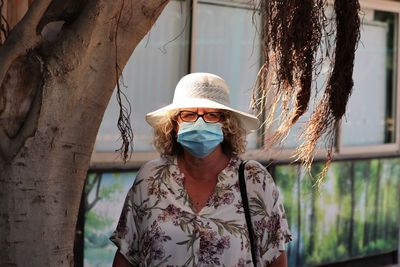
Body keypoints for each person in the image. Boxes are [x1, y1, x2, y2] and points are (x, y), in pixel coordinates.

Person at [110, 73, 292, 267]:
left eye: (211, 115)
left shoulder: (254, 180)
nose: (199, 122)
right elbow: (128, 255)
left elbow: (275, 258)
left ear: (226, 124)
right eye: (188, 114)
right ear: (174, 123)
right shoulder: (151, 179)